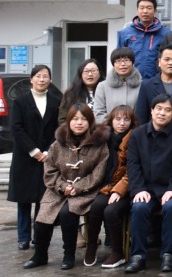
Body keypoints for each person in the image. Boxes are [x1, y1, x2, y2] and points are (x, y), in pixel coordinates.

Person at [22, 103, 109, 270]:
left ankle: (68, 255)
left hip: (86, 191)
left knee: (67, 213)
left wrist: (78, 187)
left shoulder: (99, 145)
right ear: (68, 121)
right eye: (75, 119)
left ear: (90, 121)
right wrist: (63, 186)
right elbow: (50, 171)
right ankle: (40, 255)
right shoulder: (57, 144)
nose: (79, 122)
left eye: (84, 119)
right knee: (43, 218)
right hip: (58, 189)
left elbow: (98, 174)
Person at [124, 94, 172, 273]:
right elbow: (133, 165)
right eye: (158, 109)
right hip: (145, 188)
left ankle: (168, 255)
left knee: (171, 207)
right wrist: (138, 189)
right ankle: (138, 256)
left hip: (170, 188)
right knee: (139, 207)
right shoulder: (137, 134)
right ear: (151, 111)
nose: (162, 113)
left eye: (167, 110)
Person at [8, 65, 61, 251]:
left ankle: (39, 236)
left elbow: (58, 129)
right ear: (31, 79)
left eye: (45, 76)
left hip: (47, 157)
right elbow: (16, 128)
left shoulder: (56, 102)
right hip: (25, 157)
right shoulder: (20, 101)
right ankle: (23, 237)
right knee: (23, 200)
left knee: (43, 199)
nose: (42, 79)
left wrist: (48, 151)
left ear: (50, 80)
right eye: (38, 76)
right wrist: (33, 150)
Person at [84, 105, 138, 269]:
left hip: (128, 189)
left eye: (126, 120)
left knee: (111, 211)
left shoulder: (136, 139)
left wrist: (119, 191)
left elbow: (134, 170)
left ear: (131, 122)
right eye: (118, 119)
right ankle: (91, 246)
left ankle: (117, 252)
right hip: (107, 186)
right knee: (96, 206)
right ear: (111, 121)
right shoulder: (103, 139)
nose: (122, 123)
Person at [135, 44, 172, 127]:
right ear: (159, 62)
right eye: (167, 59)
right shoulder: (147, 86)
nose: (171, 63)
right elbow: (141, 116)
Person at [117, 0, 171, 80]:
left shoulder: (166, 33)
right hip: (131, 81)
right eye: (141, 8)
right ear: (137, 11)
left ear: (155, 11)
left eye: (149, 8)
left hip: (157, 81)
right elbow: (118, 58)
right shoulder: (125, 33)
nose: (145, 11)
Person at [93, 47, 142, 122]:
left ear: (132, 63)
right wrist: (113, 124)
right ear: (113, 64)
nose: (123, 64)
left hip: (136, 128)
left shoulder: (142, 86)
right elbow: (99, 114)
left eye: (126, 60)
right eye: (118, 61)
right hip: (109, 127)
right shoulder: (102, 86)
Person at [58, 58, 103, 124]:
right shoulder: (70, 94)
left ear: (99, 73)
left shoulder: (106, 91)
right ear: (80, 74)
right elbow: (62, 119)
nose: (90, 74)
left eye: (93, 71)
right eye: (86, 71)